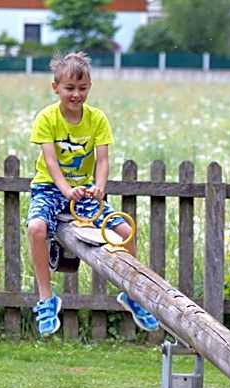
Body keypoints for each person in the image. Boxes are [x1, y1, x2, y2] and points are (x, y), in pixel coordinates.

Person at [26, 51, 159, 336]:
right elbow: (50, 162)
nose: (76, 94)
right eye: (69, 88)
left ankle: (131, 294)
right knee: (37, 228)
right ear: (56, 88)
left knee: (125, 232)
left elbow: (102, 160)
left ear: (90, 87)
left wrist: (99, 188)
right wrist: (66, 190)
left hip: (84, 192)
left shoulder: (97, 119)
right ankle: (46, 298)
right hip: (50, 188)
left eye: (82, 88)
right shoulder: (46, 118)